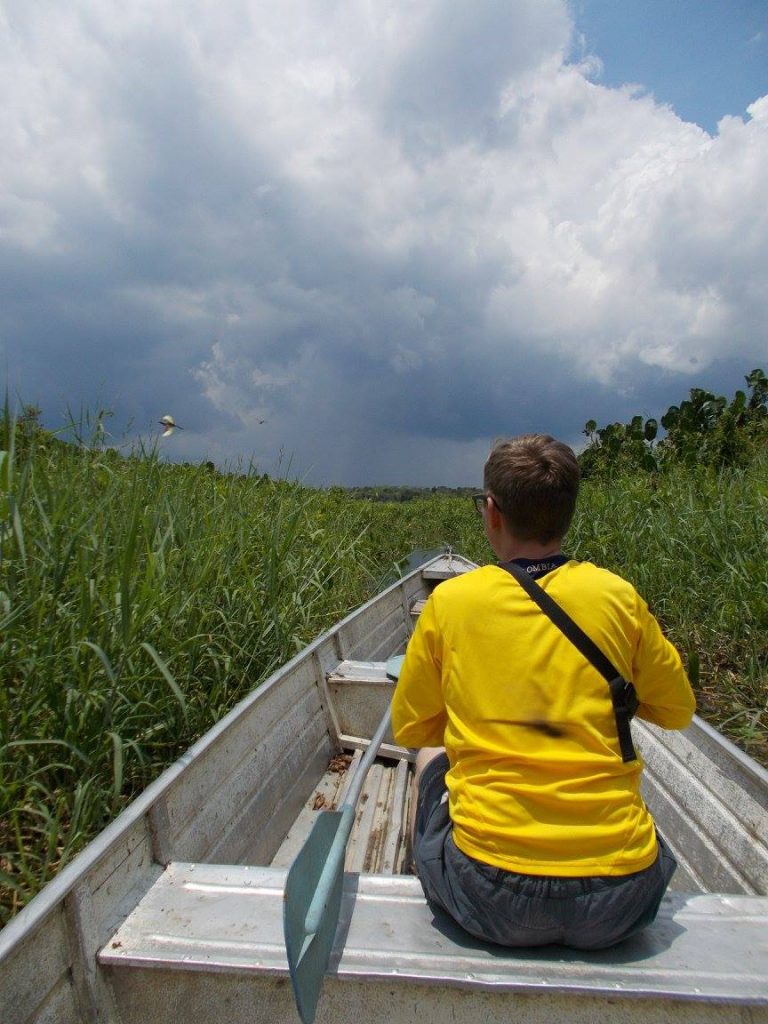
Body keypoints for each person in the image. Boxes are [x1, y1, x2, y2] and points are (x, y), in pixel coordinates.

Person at [391, 433, 695, 950]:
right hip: (621, 900)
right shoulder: (617, 597)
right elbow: (677, 710)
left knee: (430, 754)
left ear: (492, 512)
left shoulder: (451, 602)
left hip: (488, 894)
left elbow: (416, 728)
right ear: (567, 513)